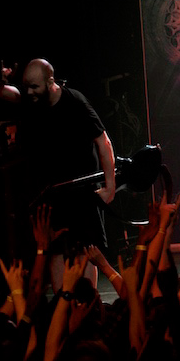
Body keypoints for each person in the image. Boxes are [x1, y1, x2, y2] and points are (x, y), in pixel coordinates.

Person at [16, 58, 116, 286]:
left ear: (50, 81)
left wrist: (110, 186)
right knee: (55, 251)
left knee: (87, 251)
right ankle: (63, 303)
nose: (29, 92)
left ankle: (89, 302)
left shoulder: (75, 101)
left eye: (34, 86)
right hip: (52, 195)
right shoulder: (32, 107)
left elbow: (103, 142)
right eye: (26, 86)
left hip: (82, 194)